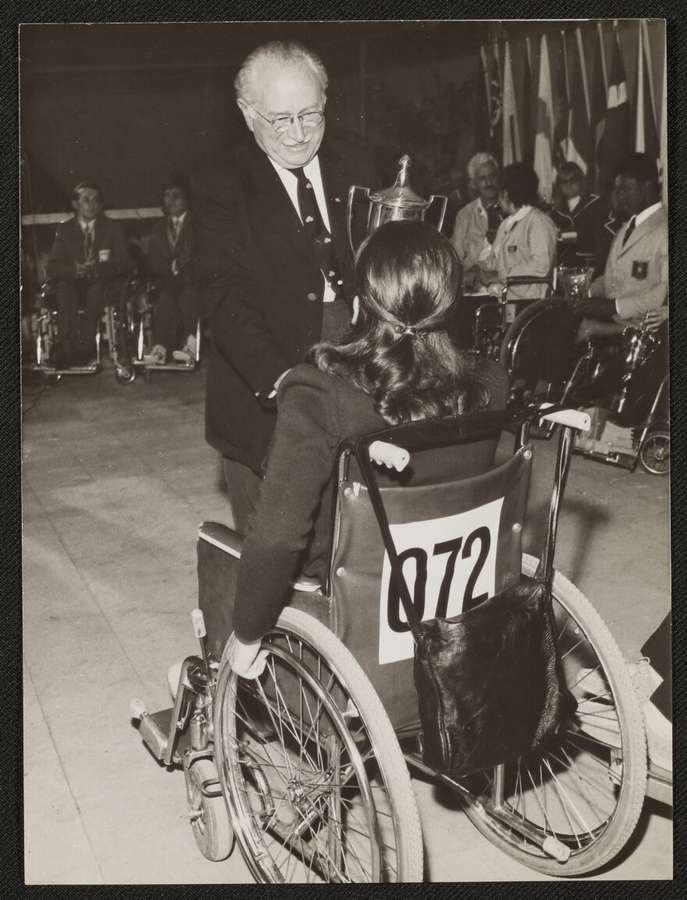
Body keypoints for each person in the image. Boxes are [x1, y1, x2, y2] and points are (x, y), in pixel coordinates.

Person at [223, 220, 510, 676]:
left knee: (224, 565)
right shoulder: (490, 384)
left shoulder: (321, 394)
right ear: (451, 304)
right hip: (459, 600)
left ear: (358, 307)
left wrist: (247, 633)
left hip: (353, 611)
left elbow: (278, 536)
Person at [193, 41, 377, 532]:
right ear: (247, 113)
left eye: (310, 114)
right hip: (266, 378)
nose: (298, 134)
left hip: (356, 365)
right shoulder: (219, 183)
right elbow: (222, 296)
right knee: (277, 546)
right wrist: (284, 384)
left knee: (354, 538)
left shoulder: (359, 164)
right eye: (280, 119)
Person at [576, 152, 668, 342]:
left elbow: (664, 292)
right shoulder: (626, 229)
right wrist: (588, 292)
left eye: (625, 188)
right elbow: (612, 277)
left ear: (648, 187)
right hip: (615, 322)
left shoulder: (665, 229)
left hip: (644, 332)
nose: (618, 196)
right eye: (616, 189)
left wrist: (614, 306)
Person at [45, 181, 132, 366]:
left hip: (101, 283)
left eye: (96, 200)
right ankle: (66, 349)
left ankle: (85, 347)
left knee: (96, 292)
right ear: (75, 204)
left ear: (101, 205)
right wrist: (74, 270)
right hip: (74, 282)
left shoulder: (112, 228)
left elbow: (125, 263)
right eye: (86, 200)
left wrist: (98, 269)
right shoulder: (64, 229)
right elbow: (52, 266)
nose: (92, 205)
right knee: (64, 289)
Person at [479, 163, 558, 300]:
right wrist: (479, 270)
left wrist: (502, 275)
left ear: (505, 194)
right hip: (503, 299)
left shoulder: (538, 223)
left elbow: (542, 266)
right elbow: (495, 262)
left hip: (529, 304)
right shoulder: (506, 224)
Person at [146, 177, 199, 364]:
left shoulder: (199, 226)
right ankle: (161, 348)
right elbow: (153, 263)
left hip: (194, 281)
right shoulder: (157, 229)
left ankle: (189, 345)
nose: (171, 200)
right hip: (167, 282)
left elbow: (204, 258)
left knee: (187, 294)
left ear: (187, 199)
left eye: (177, 196)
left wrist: (184, 272)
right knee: (167, 295)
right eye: (167, 196)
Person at [450, 152, 504, 292]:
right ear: (474, 184)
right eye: (482, 178)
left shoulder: (510, 209)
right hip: (474, 286)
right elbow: (456, 258)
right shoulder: (465, 215)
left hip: (504, 282)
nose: (489, 183)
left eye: (492, 176)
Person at [551, 162, 616, 277]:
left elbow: (608, 241)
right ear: (558, 185)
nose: (568, 185)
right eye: (563, 182)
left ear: (581, 181)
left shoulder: (599, 205)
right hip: (563, 272)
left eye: (573, 180)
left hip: (592, 270)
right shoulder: (555, 213)